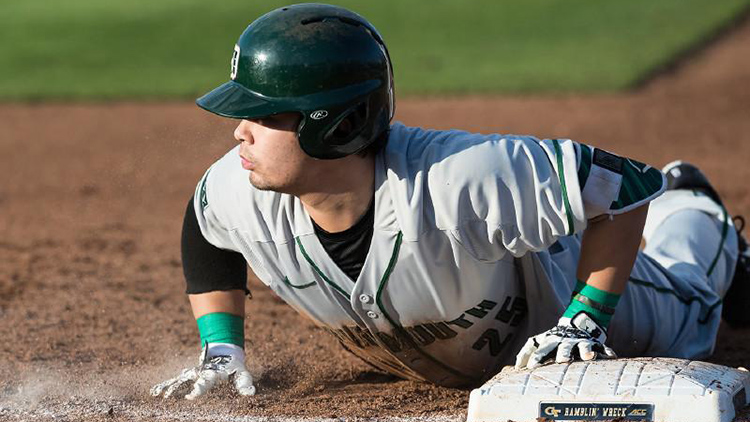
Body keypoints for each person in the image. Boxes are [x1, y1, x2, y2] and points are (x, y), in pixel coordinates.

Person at [151, 3, 749, 400]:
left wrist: (587, 316)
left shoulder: (461, 178)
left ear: (334, 125)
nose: (239, 133)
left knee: (693, 287)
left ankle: (698, 206)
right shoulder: (239, 187)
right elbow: (204, 225)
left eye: (262, 115)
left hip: (601, 301)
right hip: (454, 348)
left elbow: (629, 186)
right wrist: (222, 347)